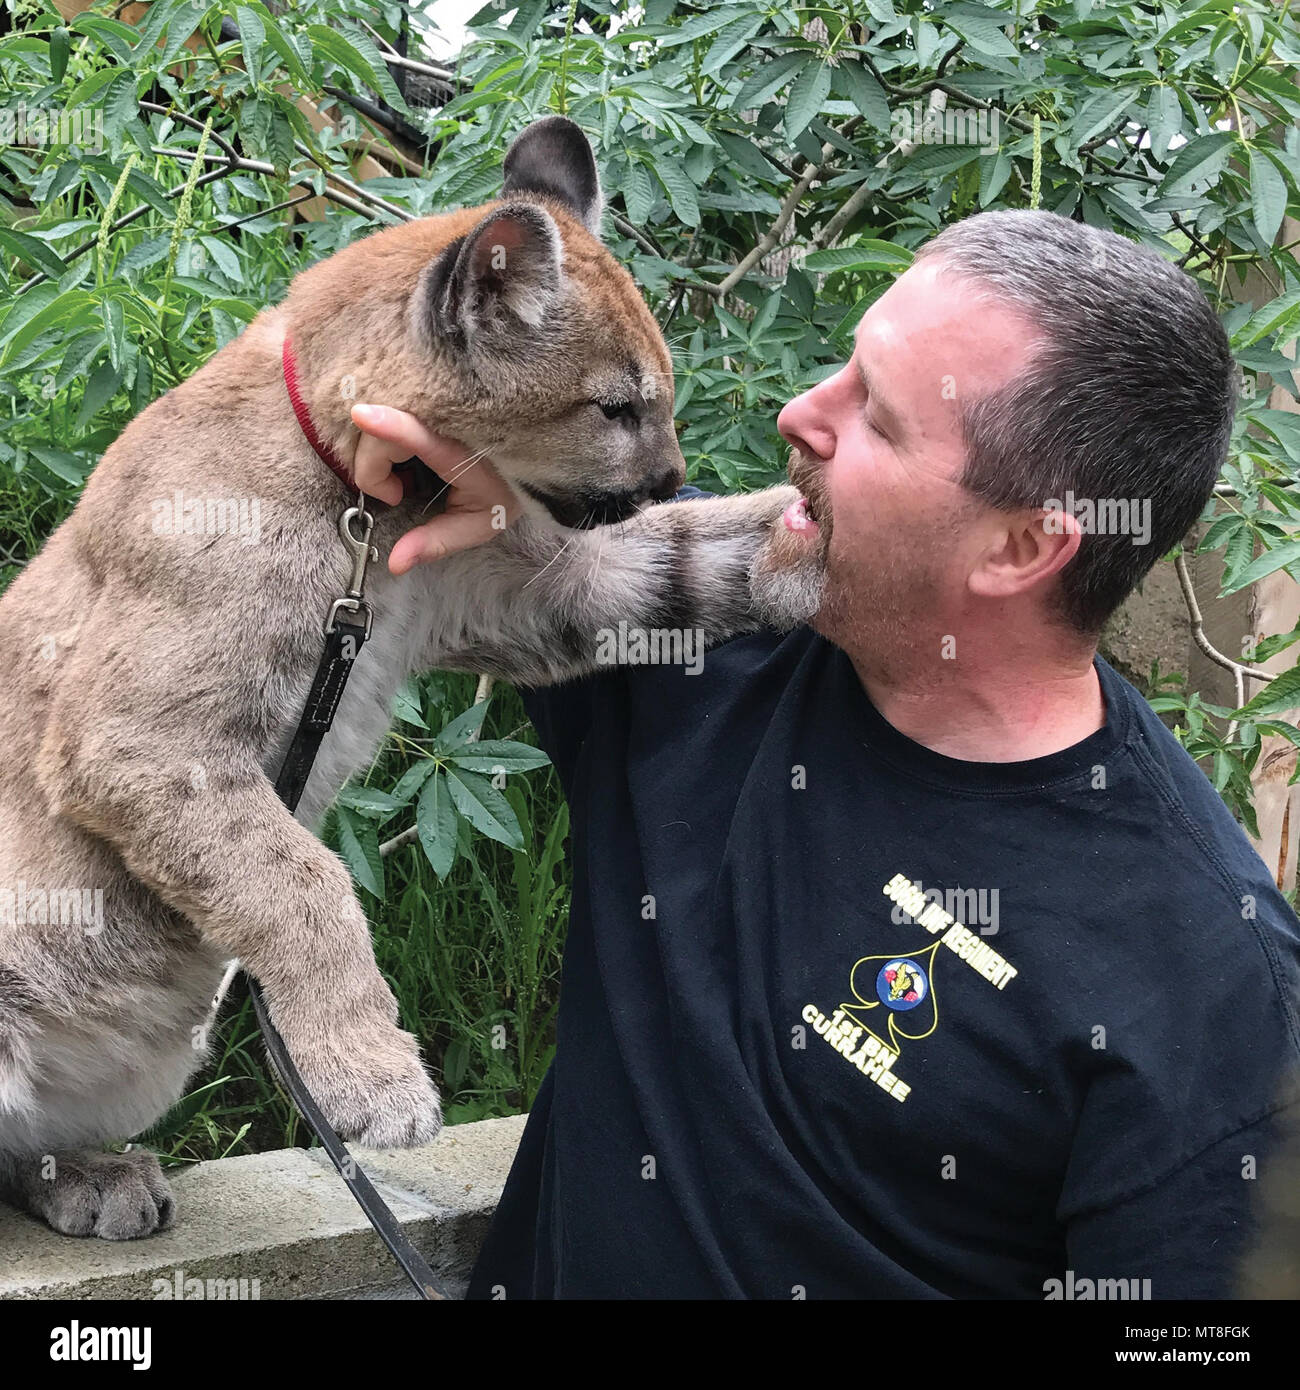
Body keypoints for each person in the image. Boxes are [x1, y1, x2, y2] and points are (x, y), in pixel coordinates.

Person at [351, 209, 1300, 1300]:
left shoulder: (1210, 987)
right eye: (844, 366)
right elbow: (431, 466)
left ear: (1022, 546)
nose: (798, 414)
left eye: (878, 422)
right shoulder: (689, 636)